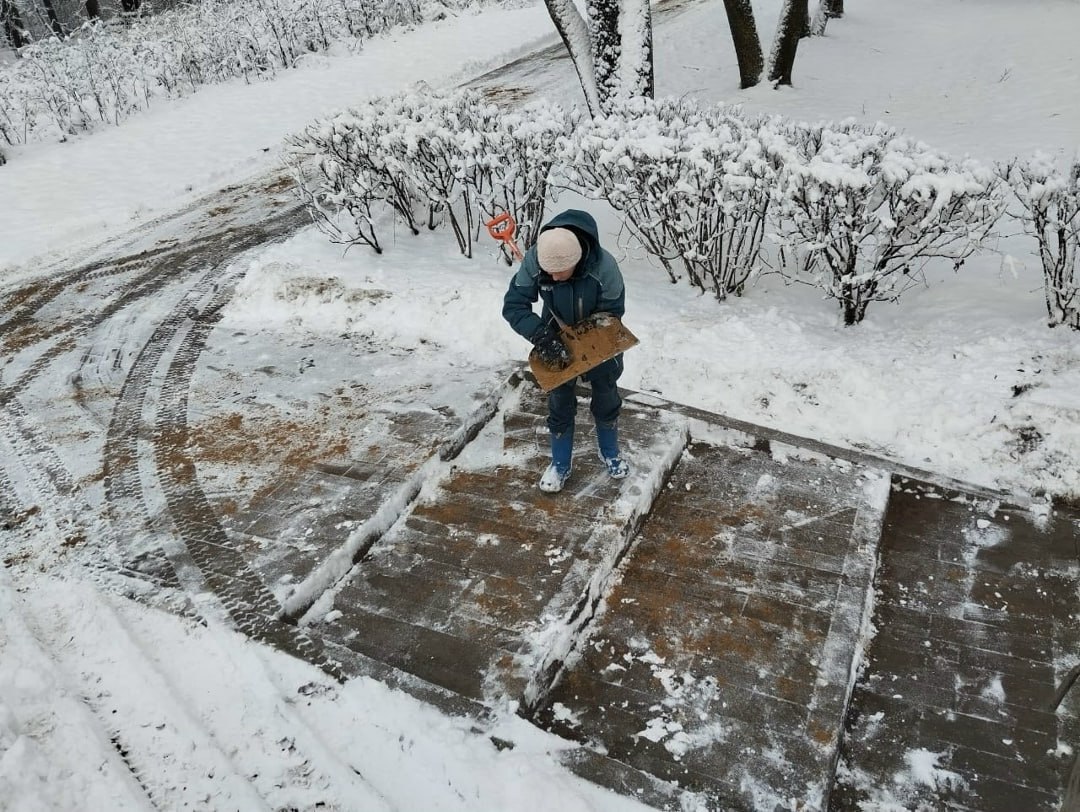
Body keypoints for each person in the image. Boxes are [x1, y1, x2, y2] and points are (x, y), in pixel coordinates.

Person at [502, 209, 630, 493]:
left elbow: (612, 315)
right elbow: (513, 306)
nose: (555, 278)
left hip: (599, 336)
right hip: (553, 333)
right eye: (550, 273)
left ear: (578, 261)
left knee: (607, 394)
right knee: (559, 401)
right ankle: (560, 463)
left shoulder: (605, 269)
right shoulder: (537, 260)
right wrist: (542, 336)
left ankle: (609, 450)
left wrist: (585, 343)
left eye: (561, 272)